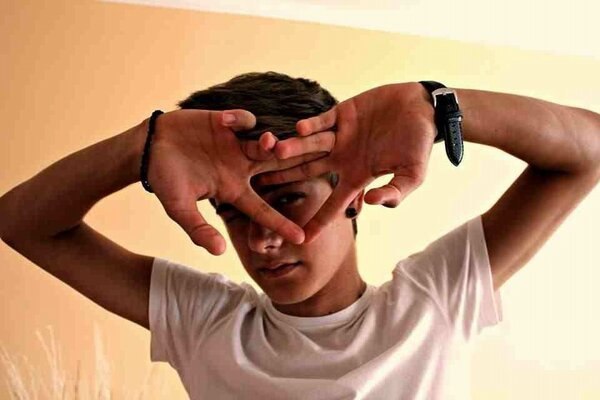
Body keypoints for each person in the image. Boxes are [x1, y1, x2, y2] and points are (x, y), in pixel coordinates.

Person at [0, 71, 598, 399]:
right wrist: (145, 142)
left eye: (286, 201)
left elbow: (588, 152)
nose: (261, 241)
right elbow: (22, 223)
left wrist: (437, 105)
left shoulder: (433, 301)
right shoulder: (205, 321)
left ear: (352, 197)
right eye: (235, 212)